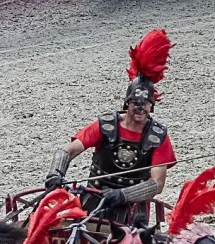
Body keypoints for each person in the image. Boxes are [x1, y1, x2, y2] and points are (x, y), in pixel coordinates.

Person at [45, 29, 177, 228]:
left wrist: (123, 195)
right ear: (127, 103)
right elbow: (68, 150)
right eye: (135, 103)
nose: (140, 109)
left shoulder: (158, 136)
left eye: (145, 104)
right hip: (93, 202)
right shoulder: (106, 125)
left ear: (152, 105)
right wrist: (56, 172)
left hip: (132, 210)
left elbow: (156, 184)